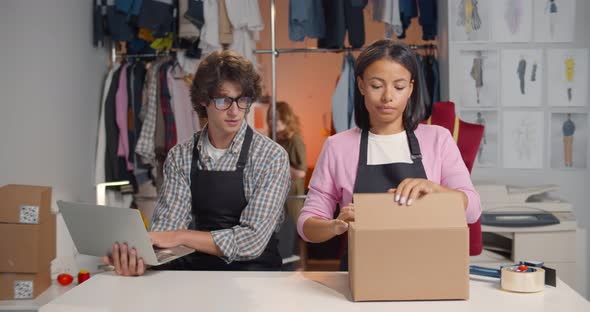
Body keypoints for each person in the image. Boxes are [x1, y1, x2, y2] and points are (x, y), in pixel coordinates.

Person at [297, 40, 481, 271]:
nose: (388, 97)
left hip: (430, 271)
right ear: (362, 85)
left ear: (411, 88)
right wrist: (335, 226)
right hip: (362, 273)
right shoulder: (338, 147)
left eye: (399, 86)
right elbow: (306, 225)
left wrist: (436, 190)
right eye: (376, 86)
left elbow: (473, 210)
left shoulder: (438, 139)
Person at [104, 50, 291, 275]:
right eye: (223, 100)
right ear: (204, 100)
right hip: (200, 273)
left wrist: (181, 236)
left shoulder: (270, 156)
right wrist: (143, 257)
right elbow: (166, 229)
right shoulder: (180, 156)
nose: (235, 111)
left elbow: (252, 241)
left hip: (256, 275)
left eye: (242, 100)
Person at [267, 101, 307, 223]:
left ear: (285, 118)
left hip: (292, 199)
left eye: (275, 118)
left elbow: (301, 172)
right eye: (269, 119)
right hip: (277, 199)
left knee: (294, 236)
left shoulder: (295, 140)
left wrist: (279, 167)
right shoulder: (273, 140)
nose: (271, 122)